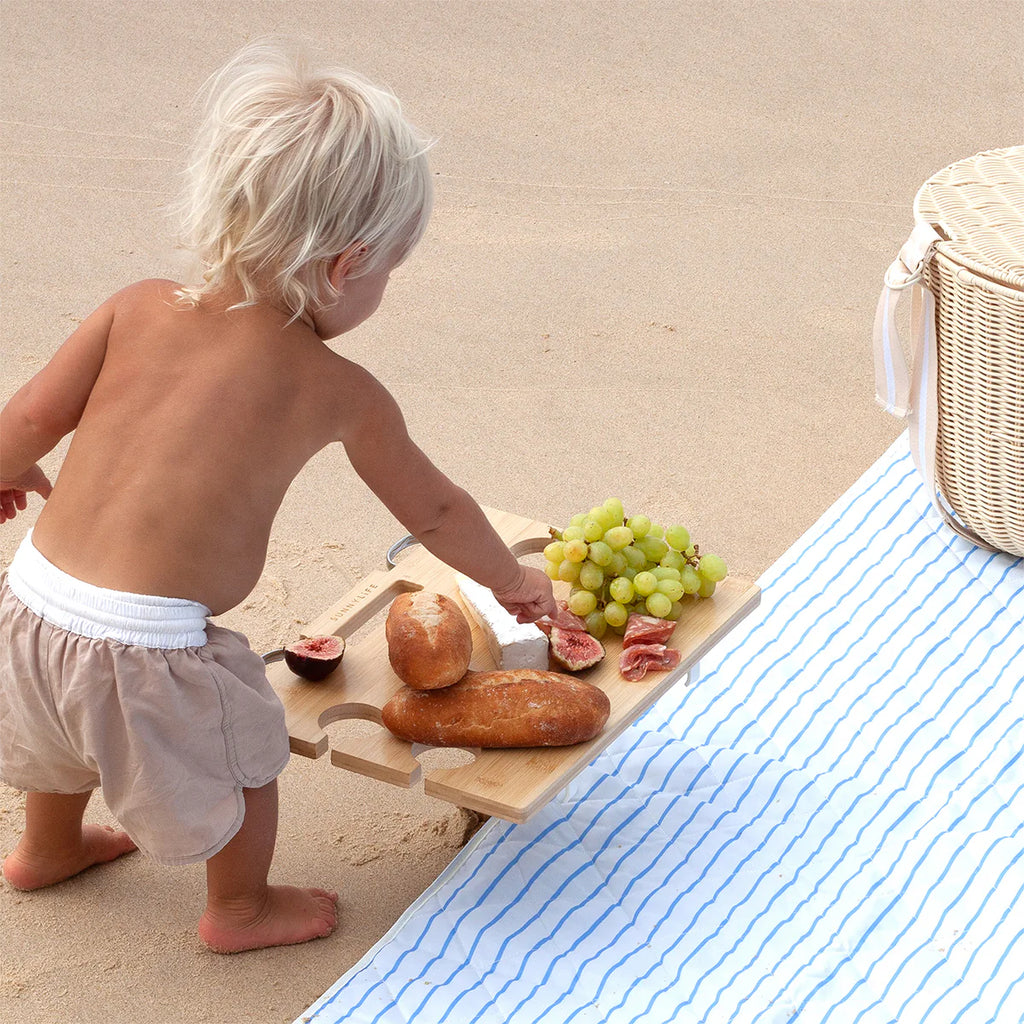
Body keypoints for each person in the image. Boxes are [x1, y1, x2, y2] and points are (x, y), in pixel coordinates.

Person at [0, 40, 555, 954]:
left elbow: (28, 417)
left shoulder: (136, 304)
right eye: (386, 274)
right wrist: (515, 584)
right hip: (149, 650)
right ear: (346, 267)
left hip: (32, 604)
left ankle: (44, 849)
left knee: (58, 739)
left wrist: (8, 470)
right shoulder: (336, 388)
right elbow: (438, 513)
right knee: (248, 758)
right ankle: (241, 910)